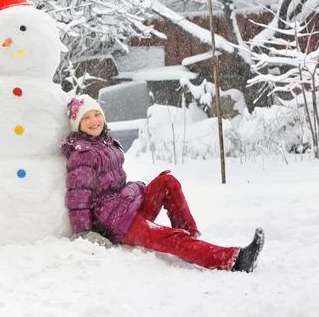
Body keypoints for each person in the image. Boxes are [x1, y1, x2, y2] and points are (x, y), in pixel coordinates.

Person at [61, 95, 265, 272]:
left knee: (167, 181)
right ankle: (235, 260)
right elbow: (77, 194)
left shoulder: (104, 142)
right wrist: (84, 232)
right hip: (115, 222)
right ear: (77, 125)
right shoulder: (83, 153)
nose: (94, 120)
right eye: (85, 118)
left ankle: (192, 241)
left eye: (96, 114)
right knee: (167, 237)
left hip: (124, 206)